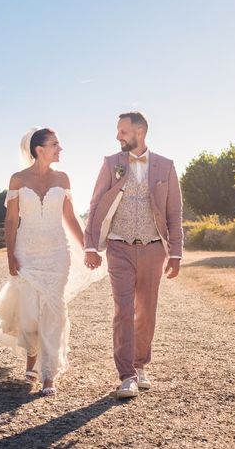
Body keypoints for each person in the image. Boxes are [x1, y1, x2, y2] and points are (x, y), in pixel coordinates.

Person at [0, 127, 106, 396]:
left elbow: (70, 218)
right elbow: (10, 220)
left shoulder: (63, 178)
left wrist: (88, 248)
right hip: (27, 253)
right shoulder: (17, 180)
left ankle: (48, 373)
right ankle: (31, 355)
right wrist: (10, 255)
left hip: (57, 254)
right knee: (29, 315)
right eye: (55, 144)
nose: (60, 149)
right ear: (39, 149)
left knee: (53, 311)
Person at [83, 112, 183, 399]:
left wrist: (175, 253)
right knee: (123, 310)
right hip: (118, 247)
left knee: (147, 311)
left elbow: (174, 213)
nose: (118, 136)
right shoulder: (111, 163)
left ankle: (140, 366)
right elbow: (95, 203)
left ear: (139, 132)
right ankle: (126, 375)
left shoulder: (166, 166)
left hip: (153, 248)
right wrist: (91, 245)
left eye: (123, 131)